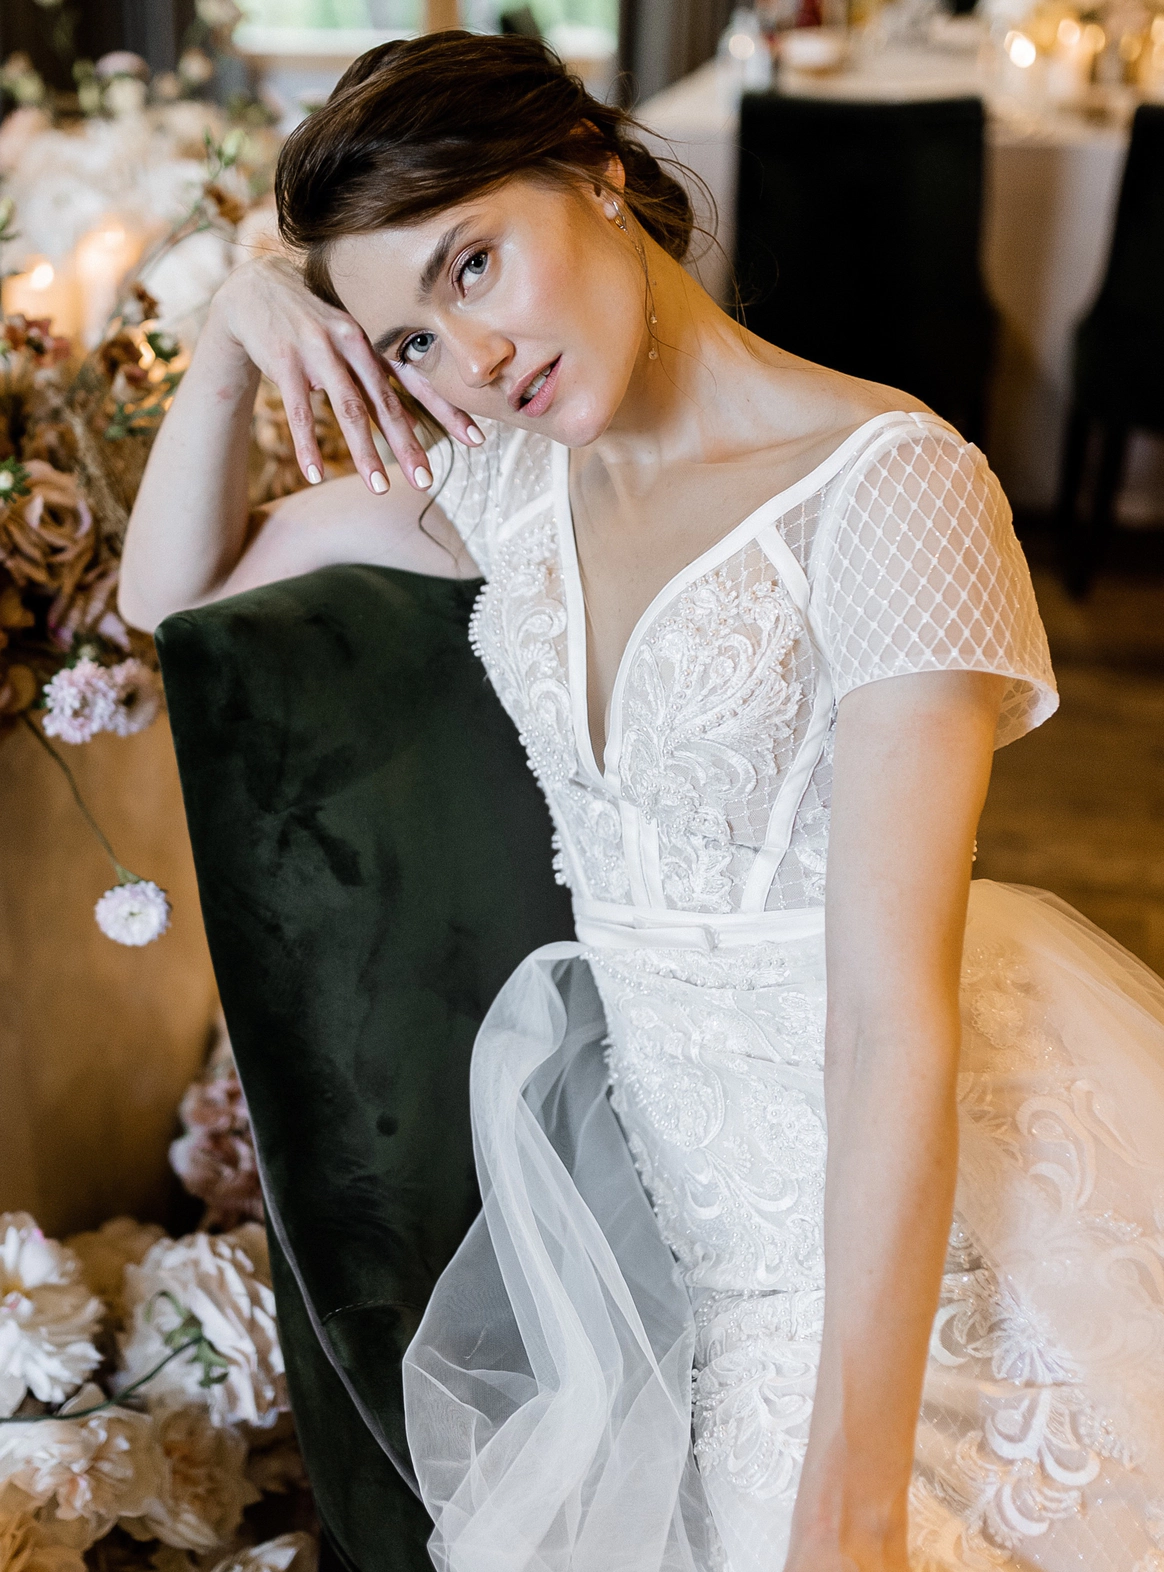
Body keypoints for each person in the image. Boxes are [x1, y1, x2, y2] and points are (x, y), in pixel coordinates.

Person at [119, 31, 1164, 1572]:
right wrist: (233, 326)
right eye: (410, 342)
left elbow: (884, 1025)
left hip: (897, 1227)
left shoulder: (890, 489)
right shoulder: (503, 483)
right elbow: (169, 596)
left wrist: (851, 1509)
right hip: (664, 1223)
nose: (472, 363)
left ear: (597, 173)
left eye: (474, 265)